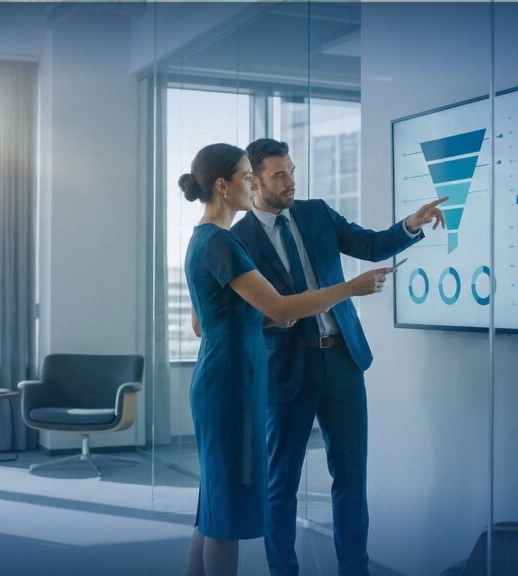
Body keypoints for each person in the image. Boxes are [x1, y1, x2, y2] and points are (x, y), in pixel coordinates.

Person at [231, 138, 447, 576]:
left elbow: (368, 244)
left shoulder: (316, 213)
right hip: (286, 369)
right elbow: (241, 317)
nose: (291, 181)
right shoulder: (237, 240)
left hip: (342, 359)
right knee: (281, 485)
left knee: (351, 479)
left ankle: (355, 570)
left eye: (292, 171)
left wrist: (409, 224)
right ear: (253, 181)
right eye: (280, 175)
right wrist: (277, 319)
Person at [180, 143, 394, 576]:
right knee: (227, 512)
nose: (252, 184)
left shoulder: (205, 238)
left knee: (214, 507)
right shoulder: (224, 242)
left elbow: (206, 321)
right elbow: (279, 309)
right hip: (236, 379)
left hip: (240, 372)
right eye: (246, 177)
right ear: (226, 185)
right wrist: (349, 289)